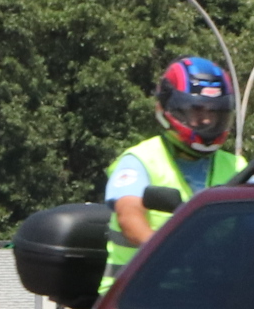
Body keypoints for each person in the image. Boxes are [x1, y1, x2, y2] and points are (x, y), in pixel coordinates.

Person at [102, 57, 243, 274]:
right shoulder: (140, 160)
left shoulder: (236, 166)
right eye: (197, 110)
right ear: (170, 109)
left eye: (213, 112)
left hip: (209, 292)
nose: (206, 120)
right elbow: (129, 218)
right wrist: (174, 255)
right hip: (135, 293)